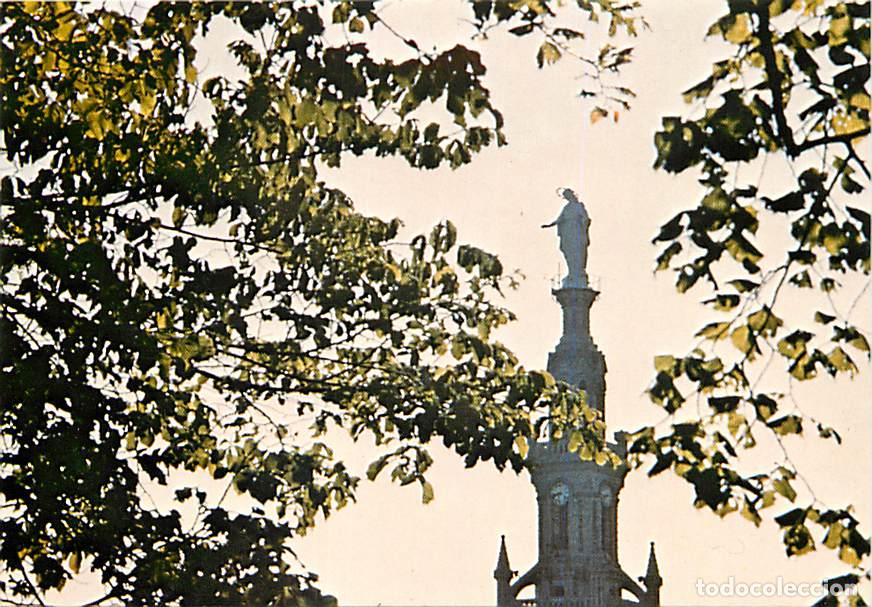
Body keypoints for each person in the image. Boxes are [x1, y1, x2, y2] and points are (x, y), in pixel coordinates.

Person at [542, 188, 590, 288]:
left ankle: (578, 273)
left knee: (577, 252)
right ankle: (572, 272)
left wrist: (584, 229)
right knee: (568, 251)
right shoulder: (567, 208)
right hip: (567, 233)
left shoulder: (578, 206)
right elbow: (559, 219)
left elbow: (585, 218)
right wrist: (549, 225)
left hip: (576, 232)